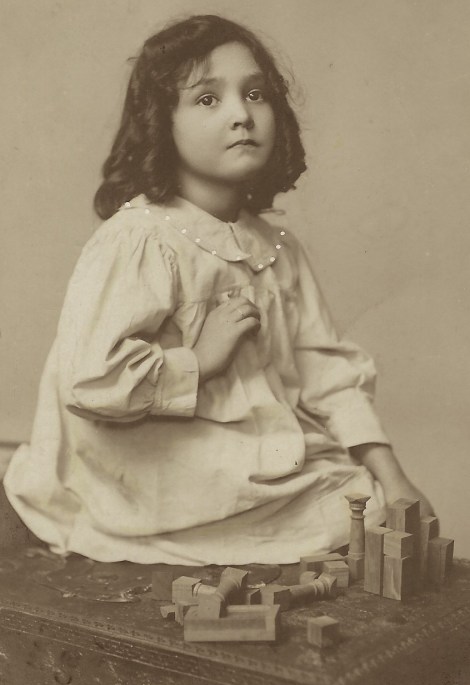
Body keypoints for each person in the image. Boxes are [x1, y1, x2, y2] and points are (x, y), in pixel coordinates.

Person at [4, 14, 433, 565]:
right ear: (162, 122)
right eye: (208, 99)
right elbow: (92, 379)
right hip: (153, 470)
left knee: (368, 507)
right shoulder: (140, 239)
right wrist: (199, 361)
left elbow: (326, 372)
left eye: (256, 94)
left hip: (258, 452)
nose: (242, 115)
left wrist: (394, 478)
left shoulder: (277, 247)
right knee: (339, 522)